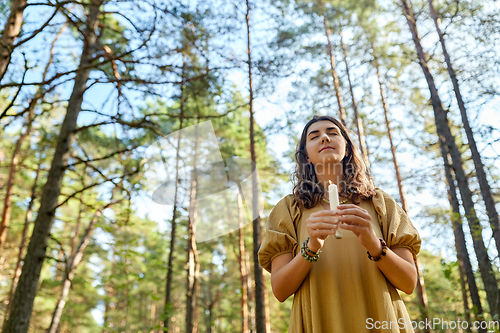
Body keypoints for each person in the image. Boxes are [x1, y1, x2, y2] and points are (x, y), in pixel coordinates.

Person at [258, 115, 421, 332]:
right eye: (314, 136)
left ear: (347, 149)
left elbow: (409, 283)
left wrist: (373, 242)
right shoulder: (288, 209)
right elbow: (280, 290)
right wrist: (311, 246)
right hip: (319, 321)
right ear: (306, 156)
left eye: (332, 133)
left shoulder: (381, 203)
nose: (325, 138)